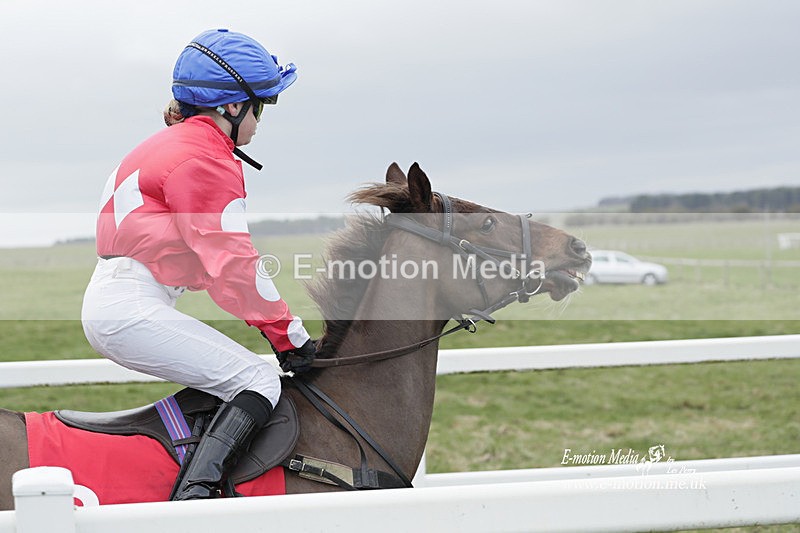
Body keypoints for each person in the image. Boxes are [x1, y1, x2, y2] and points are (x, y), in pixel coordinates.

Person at [81, 28, 316, 501]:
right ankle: (195, 501)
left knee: (235, 377)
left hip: (120, 297)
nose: (259, 120)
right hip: (130, 307)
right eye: (261, 107)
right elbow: (234, 267)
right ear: (232, 107)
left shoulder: (164, 144)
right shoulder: (206, 158)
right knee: (258, 379)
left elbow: (215, 268)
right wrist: (292, 340)